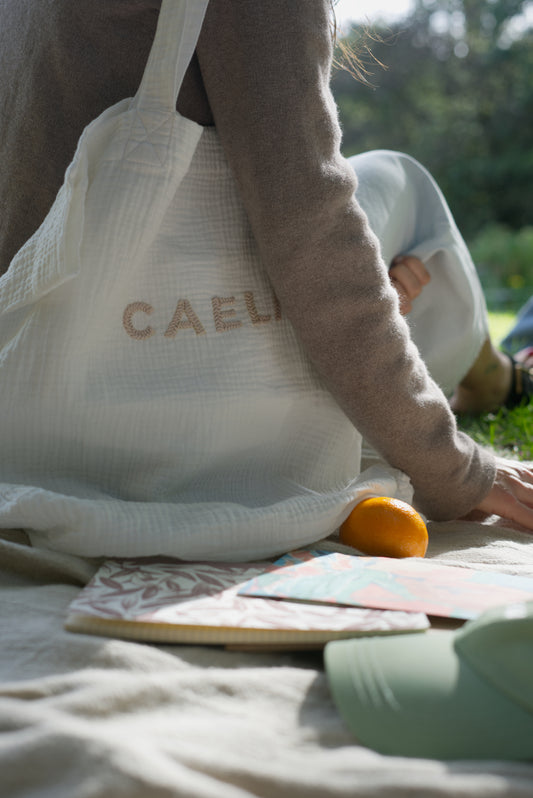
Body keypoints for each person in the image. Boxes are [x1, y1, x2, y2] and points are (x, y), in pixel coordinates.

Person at [0, 0, 532, 559]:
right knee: (404, 180)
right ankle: (498, 378)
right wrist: (452, 469)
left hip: (36, 367)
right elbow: (308, 224)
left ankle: (496, 373)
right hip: (175, 367)